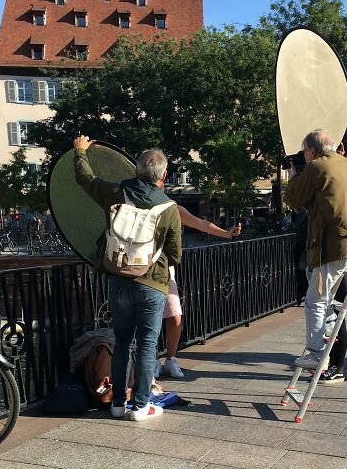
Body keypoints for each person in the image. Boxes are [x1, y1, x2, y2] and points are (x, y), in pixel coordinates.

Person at [73, 135, 181, 421]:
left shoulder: (116, 193)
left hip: (118, 280)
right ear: (164, 175)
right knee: (147, 345)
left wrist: (80, 152)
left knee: (122, 343)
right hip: (152, 284)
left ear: (135, 170)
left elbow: (85, 179)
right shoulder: (169, 208)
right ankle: (141, 405)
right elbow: (176, 254)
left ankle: (118, 404)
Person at [283, 129, 347, 371]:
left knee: (314, 300)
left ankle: (316, 353)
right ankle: (330, 328)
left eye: (304, 152)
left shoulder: (315, 168)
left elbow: (292, 199)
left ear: (312, 151)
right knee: (323, 290)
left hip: (335, 245)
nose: (304, 156)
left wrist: (293, 175)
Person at [156, 207, 241, 379]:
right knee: (150, 319)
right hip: (146, 268)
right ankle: (152, 360)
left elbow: (200, 223)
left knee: (175, 316)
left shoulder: (173, 208)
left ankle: (171, 358)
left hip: (165, 271)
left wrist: (226, 233)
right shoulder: (142, 204)